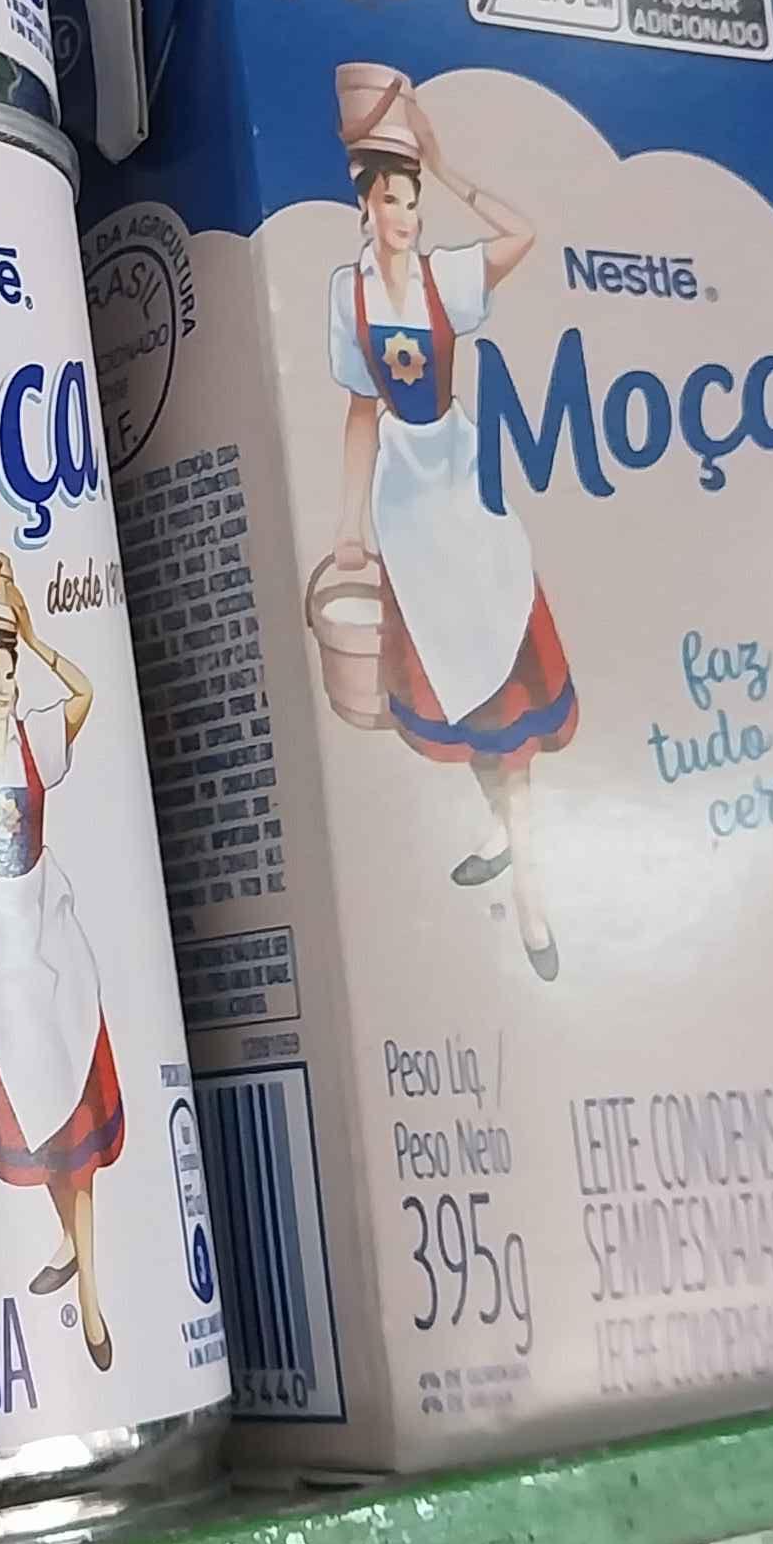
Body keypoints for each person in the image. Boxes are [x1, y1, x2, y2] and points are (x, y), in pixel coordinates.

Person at [318, 68, 577, 978]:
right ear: (366, 206)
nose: (407, 216)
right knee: (456, 675)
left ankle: (534, 897)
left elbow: (523, 234)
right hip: (406, 499)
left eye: (414, 200)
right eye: (393, 200)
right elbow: (359, 413)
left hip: (465, 480)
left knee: (503, 670)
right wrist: (349, 524)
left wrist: (446, 162)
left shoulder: (446, 277)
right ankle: (503, 832)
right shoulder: (348, 296)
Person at [0, 551, 123, 1369]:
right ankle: (66, 1241)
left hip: (52, 932)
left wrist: (36, 639)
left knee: (74, 1111)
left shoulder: (39, 735)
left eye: (7, 674)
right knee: (36, 1113)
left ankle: (92, 1296)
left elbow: (86, 694)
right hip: (1, 956)